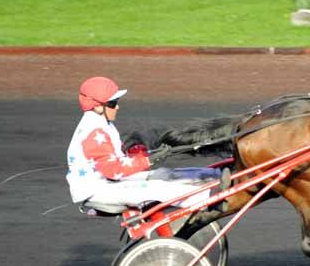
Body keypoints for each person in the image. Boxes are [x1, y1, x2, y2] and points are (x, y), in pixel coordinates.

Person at [66, 76, 229, 210]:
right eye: (113, 103)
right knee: (160, 188)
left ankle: (215, 176)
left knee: (165, 174)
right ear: (97, 107)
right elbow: (114, 170)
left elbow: (116, 160)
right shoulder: (94, 132)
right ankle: (211, 197)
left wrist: (143, 152)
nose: (117, 107)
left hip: (108, 182)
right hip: (99, 190)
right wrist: (148, 160)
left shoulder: (100, 123)